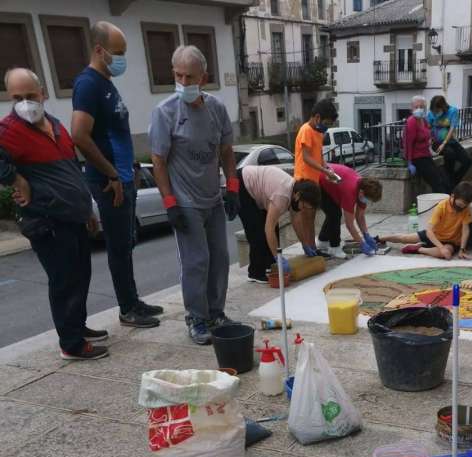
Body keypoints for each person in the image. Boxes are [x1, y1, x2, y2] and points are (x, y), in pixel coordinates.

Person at [0, 68, 108, 360]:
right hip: (47, 220)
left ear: (43, 93)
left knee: (80, 276)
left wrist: (86, 209)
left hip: (73, 217)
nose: (25, 103)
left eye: (30, 95)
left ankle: (77, 327)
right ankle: (71, 344)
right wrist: (16, 180)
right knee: (64, 281)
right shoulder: (8, 131)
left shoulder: (56, 126)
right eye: (17, 97)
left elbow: (72, 171)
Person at [71, 21, 162, 328]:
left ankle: (133, 300)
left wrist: (131, 168)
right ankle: (127, 309)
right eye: (118, 52)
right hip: (109, 183)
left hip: (123, 178)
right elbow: (79, 135)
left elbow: (114, 134)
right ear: (99, 50)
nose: (122, 58)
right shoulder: (88, 84)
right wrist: (111, 175)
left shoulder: (106, 83)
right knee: (119, 248)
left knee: (127, 243)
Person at [149, 45, 240, 345]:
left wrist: (233, 188)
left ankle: (216, 313)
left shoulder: (217, 109)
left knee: (220, 258)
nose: (184, 82)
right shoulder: (165, 113)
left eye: (190, 77)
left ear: (204, 77)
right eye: (178, 75)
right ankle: (197, 317)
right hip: (185, 201)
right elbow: (158, 161)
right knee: (196, 261)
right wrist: (169, 202)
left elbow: (226, 151)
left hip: (212, 197)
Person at [238, 167, 321, 283]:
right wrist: (278, 256)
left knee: (274, 229)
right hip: (243, 184)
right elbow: (269, 229)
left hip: (260, 188)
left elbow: (296, 222)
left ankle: (270, 265)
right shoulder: (282, 197)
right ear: (298, 195)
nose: (303, 209)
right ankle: (255, 273)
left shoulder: (295, 193)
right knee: (257, 232)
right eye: (303, 206)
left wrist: (305, 244)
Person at [293, 99, 339, 256]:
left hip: (314, 181)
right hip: (303, 180)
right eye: (326, 123)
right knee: (306, 218)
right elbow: (306, 158)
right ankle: (309, 249)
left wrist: (327, 168)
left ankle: (313, 248)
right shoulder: (306, 130)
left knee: (312, 217)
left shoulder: (318, 132)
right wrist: (324, 171)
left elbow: (318, 156)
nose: (326, 127)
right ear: (317, 117)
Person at [380, 182, 472, 259]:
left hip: (450, 241)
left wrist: (462, 249)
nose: (460, 208)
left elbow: (465, 229)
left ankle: (419, 249)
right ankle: (379, 238)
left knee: (446, 254)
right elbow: (429, 231)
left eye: (463, 206)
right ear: (453, 196)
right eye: (459, 205)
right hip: (434, 235)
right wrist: (441, 247)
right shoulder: (442, 206)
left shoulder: (465, 209)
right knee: (404, 238)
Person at [317, 163, 383, 259]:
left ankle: (323, 241)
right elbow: (349, 224)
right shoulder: (350, 191)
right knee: (335, 214)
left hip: (336, 182)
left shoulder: (364, 189)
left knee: (333, 214)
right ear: (361, 193)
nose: (367, 201)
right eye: (368, 199)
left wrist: (366, 235)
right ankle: (334, 247)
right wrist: (361, 243)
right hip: (320, 181)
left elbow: (360, 216)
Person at [402, 96, 447, 194]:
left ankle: (445, 200)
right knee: (436, 182)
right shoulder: (411, 121)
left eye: (421, 107)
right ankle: (443, 201)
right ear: (411, 109)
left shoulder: (424, 120)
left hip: (426, 155)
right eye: (416, 107)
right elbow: (408, 143)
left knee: (442, 178)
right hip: (417, 158)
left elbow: (427, 136)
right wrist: (409, 162)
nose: (419, 109)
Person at [427, 95, 472, 190]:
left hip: (450, 141)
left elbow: (452, 129)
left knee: (467, 161)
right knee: (450, 154)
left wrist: (444, 143)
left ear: (442, 107)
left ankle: (452, 182)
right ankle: (449, 185)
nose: (436, 113)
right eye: (434, 110)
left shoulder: (452, 111)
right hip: (436, 142)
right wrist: (430, 141)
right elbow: (428, 128)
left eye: (437, 110)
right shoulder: (430, 114)